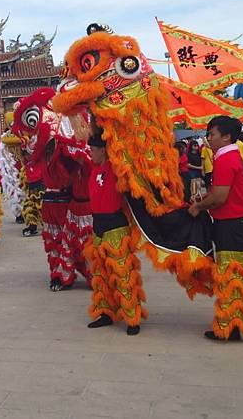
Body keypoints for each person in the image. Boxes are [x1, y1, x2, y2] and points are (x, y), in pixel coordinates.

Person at [189, 115, 243, 341]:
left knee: (229, 277)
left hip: (231, 226)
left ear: (226, 137)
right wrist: (207, 198)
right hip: (240, 223)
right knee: (239, 276)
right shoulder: (235, 156)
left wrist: (199, 205)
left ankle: (229, 328)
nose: (208, 139)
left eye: (212, 134)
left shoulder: (225, 159)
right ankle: (239, 320)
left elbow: (220, 197)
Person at [85, 134, 144, 335]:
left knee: (123, 274)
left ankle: (132, 319)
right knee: (101, 274)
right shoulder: (94, 171)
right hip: (98, 226)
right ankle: (105, 313)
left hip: (116, 226)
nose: (90, 153)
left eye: (93, 149)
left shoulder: (115, 168)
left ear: (103, 150)